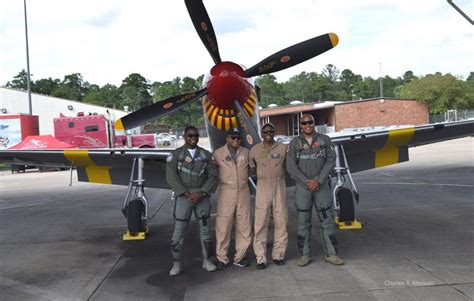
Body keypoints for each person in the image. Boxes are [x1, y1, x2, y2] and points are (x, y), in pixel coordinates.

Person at [286, 114, 344, 267]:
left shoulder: (324, 140)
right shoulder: (294, 143)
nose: (307, 125)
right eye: (304, 123)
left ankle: (331, 254)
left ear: (314, 123)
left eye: (310, 122)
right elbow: (290, 166)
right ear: (300, 125)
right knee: (303, 222)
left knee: (327, 220)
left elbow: (331, 160)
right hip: (303, 187)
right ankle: (305, 255)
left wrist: (318, 180)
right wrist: (307, 181)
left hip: (321, 185)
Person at [166, 126, 218, 276]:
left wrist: (201, 193)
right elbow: (171, 176)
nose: (193, 138)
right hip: (183, 196)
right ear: (184, 136)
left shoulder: (206, 154)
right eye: (190, 135)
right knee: (178, 233)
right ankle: (177, 264)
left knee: (206, 231)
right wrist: (186, 193)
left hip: (201, 195)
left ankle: (207, 260)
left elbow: (213, 175)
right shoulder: (175, 155)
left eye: (195, 135)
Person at [249, 123, 288, 270]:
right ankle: (261, 258)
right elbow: (250, 168)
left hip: (279, 186)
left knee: (281, 221)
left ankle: (278, 255)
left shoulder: (283, 148)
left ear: (274, 132)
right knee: (260, 223)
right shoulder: (254, 150)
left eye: (271, 131)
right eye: (265, 131)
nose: (268, 133)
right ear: (261, 133)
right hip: (262, 187)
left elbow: (289, 165)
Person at [213, 129, 252, 269]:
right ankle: (222, 258)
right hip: (226, 192)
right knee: (223, 226)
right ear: (227, 138)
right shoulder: (217, 154)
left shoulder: (246, 153)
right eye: (233, 137)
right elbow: (211, 172)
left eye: (238, 138)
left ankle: (239, 257)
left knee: (244, 225)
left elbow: (252, 169)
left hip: (243, 191)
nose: (236, 140)